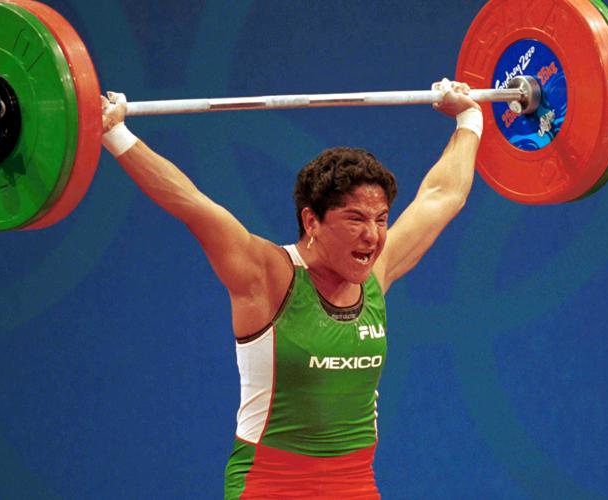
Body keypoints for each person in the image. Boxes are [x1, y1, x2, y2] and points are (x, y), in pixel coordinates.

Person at [100, 78, 482, 499]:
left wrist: (469, 117)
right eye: (355, 219)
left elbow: (442, 195)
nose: (372, 236)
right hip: (269, 484)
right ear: (311, 221)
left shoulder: (377, 273)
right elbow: (189, 203)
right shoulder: (267, 274)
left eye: (381, 219)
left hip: (354, 485)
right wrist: (114, 132)